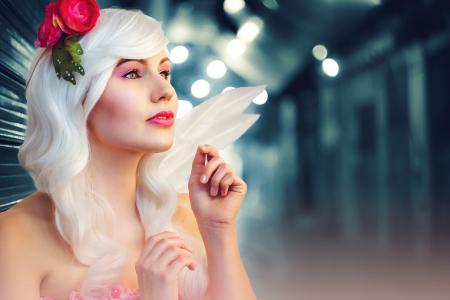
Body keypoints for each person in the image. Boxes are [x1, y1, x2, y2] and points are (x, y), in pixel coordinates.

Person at [0, 1, 264, 300]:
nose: (165, 91)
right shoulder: (15, 238)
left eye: (164, 72)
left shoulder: (186, 215)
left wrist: (219, 230)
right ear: (78, 97)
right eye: (133, 74)